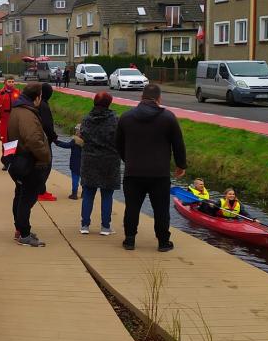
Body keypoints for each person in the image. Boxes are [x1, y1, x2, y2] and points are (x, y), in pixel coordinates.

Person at [116, 84, 187, 252]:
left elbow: (118, 144)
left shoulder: (126, 118)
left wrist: (128, 160)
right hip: (159, 173)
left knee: (132, 207)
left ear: (141, 98)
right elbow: (178, 144)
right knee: (161, 209)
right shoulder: (168, 118)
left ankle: (130, 240)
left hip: (133, 172)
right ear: (159, 99)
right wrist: (180, 165)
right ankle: (163, 242)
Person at [7, 82, 50, 247]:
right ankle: (24, 234)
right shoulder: (27, 114)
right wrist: (45, 156)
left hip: (18, 160)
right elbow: (33, 139)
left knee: (20, 195)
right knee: (26, 198)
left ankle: (20, 229)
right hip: (28, 163)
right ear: (37, 97)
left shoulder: (17, 109)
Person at [77, 92, 121, 235]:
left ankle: (85, 225)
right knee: (107, 195)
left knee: (88, 193)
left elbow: (81, 136)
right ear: (109, 103)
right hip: (109, 160)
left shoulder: (87, 119)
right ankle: (105, 227)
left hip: (90, 159)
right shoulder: (115, 120)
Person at [36, 83, 58, 201]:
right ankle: (40, 191)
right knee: (46, 165)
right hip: (45, 140)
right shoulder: (44, 106)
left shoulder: (39, 103)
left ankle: (41, 189)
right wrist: (53, 137)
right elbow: (47, 125)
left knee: (41, 165)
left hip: (39, 139)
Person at [0, 77, 20, 168]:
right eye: (9, 82)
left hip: (15, 119)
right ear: (5, 82)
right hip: (4, 120)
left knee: (14, 140)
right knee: (5, 140)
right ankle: (6, 160)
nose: (11, 83)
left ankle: (10, 160)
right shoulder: (0, 94)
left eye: (12, 82)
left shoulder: (17, 93)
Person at [53, 124, 83, 200]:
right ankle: (84, 194)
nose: (76, 132)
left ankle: (74, 194)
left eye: (77, 130)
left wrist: (57, 142)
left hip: (75, 163)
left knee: (75, 179)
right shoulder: (88, 142)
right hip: (84, 163)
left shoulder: (75, 141)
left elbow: (66, 145)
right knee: (84, 179)